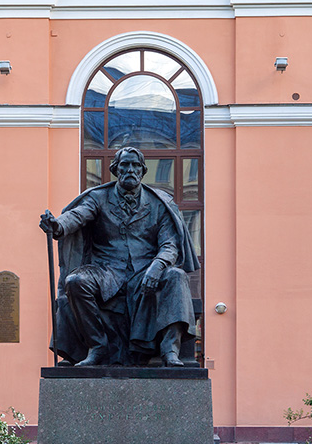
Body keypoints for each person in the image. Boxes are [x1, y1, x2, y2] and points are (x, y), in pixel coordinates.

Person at [40, 147, 199, 367]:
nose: (130, 170)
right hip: (107, 271)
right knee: (76, 282)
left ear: (143, 171)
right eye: (125, 165)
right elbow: (77, 216)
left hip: (145, 269)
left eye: (135, 165)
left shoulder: (159, 204)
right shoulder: (98, 198)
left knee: (176, 276)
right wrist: (57, 225)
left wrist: (158, 266)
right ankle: (97, 346)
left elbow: (170, 244)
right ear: (115, 169)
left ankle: (169, 349)